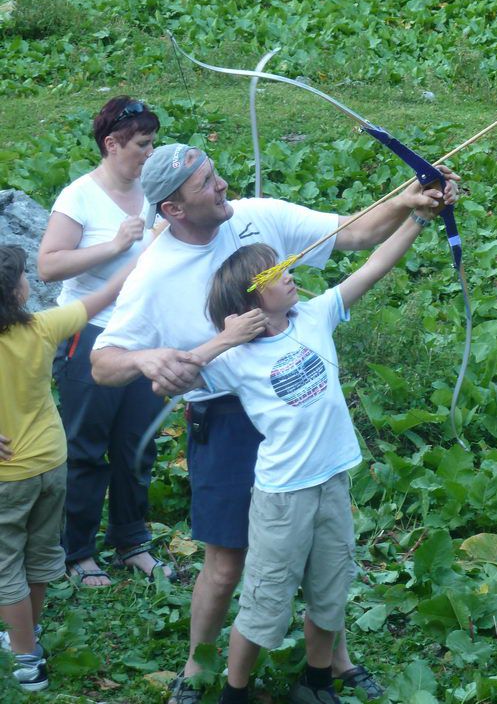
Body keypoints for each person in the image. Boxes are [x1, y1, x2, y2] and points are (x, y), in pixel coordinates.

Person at [90, 142, 458, 704]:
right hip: (227, 414)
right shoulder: (153, 274)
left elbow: (357, 235)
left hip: (296, 409)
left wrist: (414, 201)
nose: (222, 186)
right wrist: (145, 360)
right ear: (173, 211)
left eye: (216, 173)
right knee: (227, 558)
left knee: (325, 549)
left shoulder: (255, 218)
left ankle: (331, 663)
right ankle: (198, 668)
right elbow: (101, 361)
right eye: (207, 186)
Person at [187, 198, 438, 704]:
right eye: (276, 272)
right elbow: (171, 380)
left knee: (329, 594)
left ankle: (317, 681)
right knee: (264, 605)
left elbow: (374, 265)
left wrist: (418, 218)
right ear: (251, 299)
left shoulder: (314, 316)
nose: (289, 273)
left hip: (332, 483)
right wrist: (225, 338)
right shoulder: (235, 358)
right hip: (283, 497)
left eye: (284, 265)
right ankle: (235, 692)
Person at [37, 96, 166, 587]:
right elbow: (49, 264)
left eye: (152, 143)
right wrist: (113, 245)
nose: (150, 153)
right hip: (90, 330)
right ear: (111, 144)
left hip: (144, 333)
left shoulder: (152, 190)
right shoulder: (79, 197)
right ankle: (78, 551)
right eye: (142, 144)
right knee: (87, 445)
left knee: (139, 440)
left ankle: (131, 540)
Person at [0, 245, 135, 692]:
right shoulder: (43, 327)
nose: (30, 282)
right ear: (16, 294)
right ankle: (29, 633)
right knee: (40, 556)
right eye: (24, 277)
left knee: (5, 566)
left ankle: (26, 659)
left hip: (7, 476)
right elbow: (108, 293)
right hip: (52, 463)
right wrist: (148, 242)